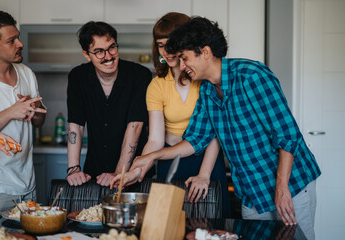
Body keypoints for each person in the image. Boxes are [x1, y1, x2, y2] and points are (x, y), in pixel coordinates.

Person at [112, 17, 321, 240]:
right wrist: (150, 157)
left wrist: (281, 188)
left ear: (205, 52)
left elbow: (287, 135)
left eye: (185, 58)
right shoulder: (207, 91)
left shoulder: (252, 76)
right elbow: (195, 140)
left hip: (291, 186)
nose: (182, 66)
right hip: (252, 191)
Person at [111, 12, 230, 216]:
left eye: (171, 43)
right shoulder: (156, 85)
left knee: (209, 224)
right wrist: (136, 170)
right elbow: (156, 139)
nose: (166, 51)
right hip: (169, 159)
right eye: (160, 44)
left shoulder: (204, 79)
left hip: (206, 159)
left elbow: (215, 132)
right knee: (167, 224)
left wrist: (204, 174)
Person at [66, 21, 152, 187]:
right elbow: (75, 126)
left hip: (133, 173)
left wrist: (120, 172)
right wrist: (73, 169)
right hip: (94, 174)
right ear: (86, 54)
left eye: (112, 47)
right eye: (99, 51)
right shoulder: (78, 77)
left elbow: (135, 126)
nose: (108, 56)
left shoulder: (139, 75)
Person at [0, 9, 47, 211]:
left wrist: (35, 109)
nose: (20, 44)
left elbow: (39, 123)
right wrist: (12, 111)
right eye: (12, 41)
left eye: (18, 37)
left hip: (28, 182)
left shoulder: (26, 73)